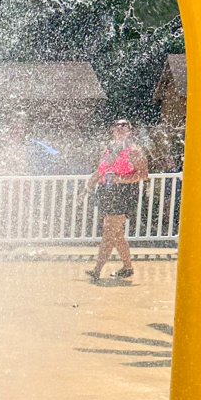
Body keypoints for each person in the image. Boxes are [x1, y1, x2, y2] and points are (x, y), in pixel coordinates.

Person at [85, 119, 149, 281]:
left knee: (109, 230)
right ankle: (128, 267)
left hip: (125, 193)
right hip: (108, 193)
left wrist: (120, 179)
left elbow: (143, 174)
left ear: (129, 129)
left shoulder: (133, 150)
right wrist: (90, 184)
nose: (121, 128)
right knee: (116, 233)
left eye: (125, 125)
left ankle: (97, 269)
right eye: (117, 125)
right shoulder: (109, 149)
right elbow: (102, 169)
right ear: (112, 129)